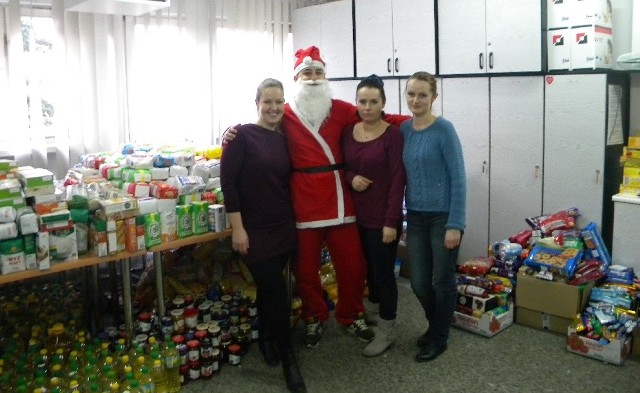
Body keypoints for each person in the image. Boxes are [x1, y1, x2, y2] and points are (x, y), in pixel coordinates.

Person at [224, 46, 409, 348]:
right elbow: (259, 127)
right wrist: (229, 133)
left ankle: (351, 314)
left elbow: (377, 114)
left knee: (352, 266)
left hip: (339, 199)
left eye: (318, 72)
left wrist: (417, 120)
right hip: (303, 202)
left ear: (325, 76)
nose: (312, 78)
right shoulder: (284, 112)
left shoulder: (341, 108)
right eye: (306, 73)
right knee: (305, 270)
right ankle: (314, 317)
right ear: (297, 78)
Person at [220, 78, 306, 393]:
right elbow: (227, 182)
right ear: (257, 102)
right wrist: (238, 229)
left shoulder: (284, 137)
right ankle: (288, 359)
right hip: (253, 229)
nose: (273, 108)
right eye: (267, 101)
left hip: (283, 224)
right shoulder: (241, 135)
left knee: (271, 289)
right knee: (276, 291)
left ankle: (267, 336)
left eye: (278, 102)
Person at [400, 71, 466, 363]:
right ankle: (438, 324)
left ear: (434, 97)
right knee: (418, 283)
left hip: (442, 218)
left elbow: (458, 178)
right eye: (411, 94)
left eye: (422, 94)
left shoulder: (444, 129)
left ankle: (439, 337)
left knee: (442, 280)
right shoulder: (403, 130)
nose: (416, 100)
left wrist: (456, 224)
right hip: (414, 216)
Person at [341, 75, 406, 357]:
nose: (367, 107)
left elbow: (398, 180)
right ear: (356, 103)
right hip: (355, 218)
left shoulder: (392, 135)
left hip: (382, 220)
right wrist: (351, 177)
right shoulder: (348, 132)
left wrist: (391, 222)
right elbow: (342, 166)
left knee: (383, 276)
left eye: (373, 102)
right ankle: (374, 315)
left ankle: (386, 331)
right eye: (362, 101)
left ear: (383, 104)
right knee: (363, 271)